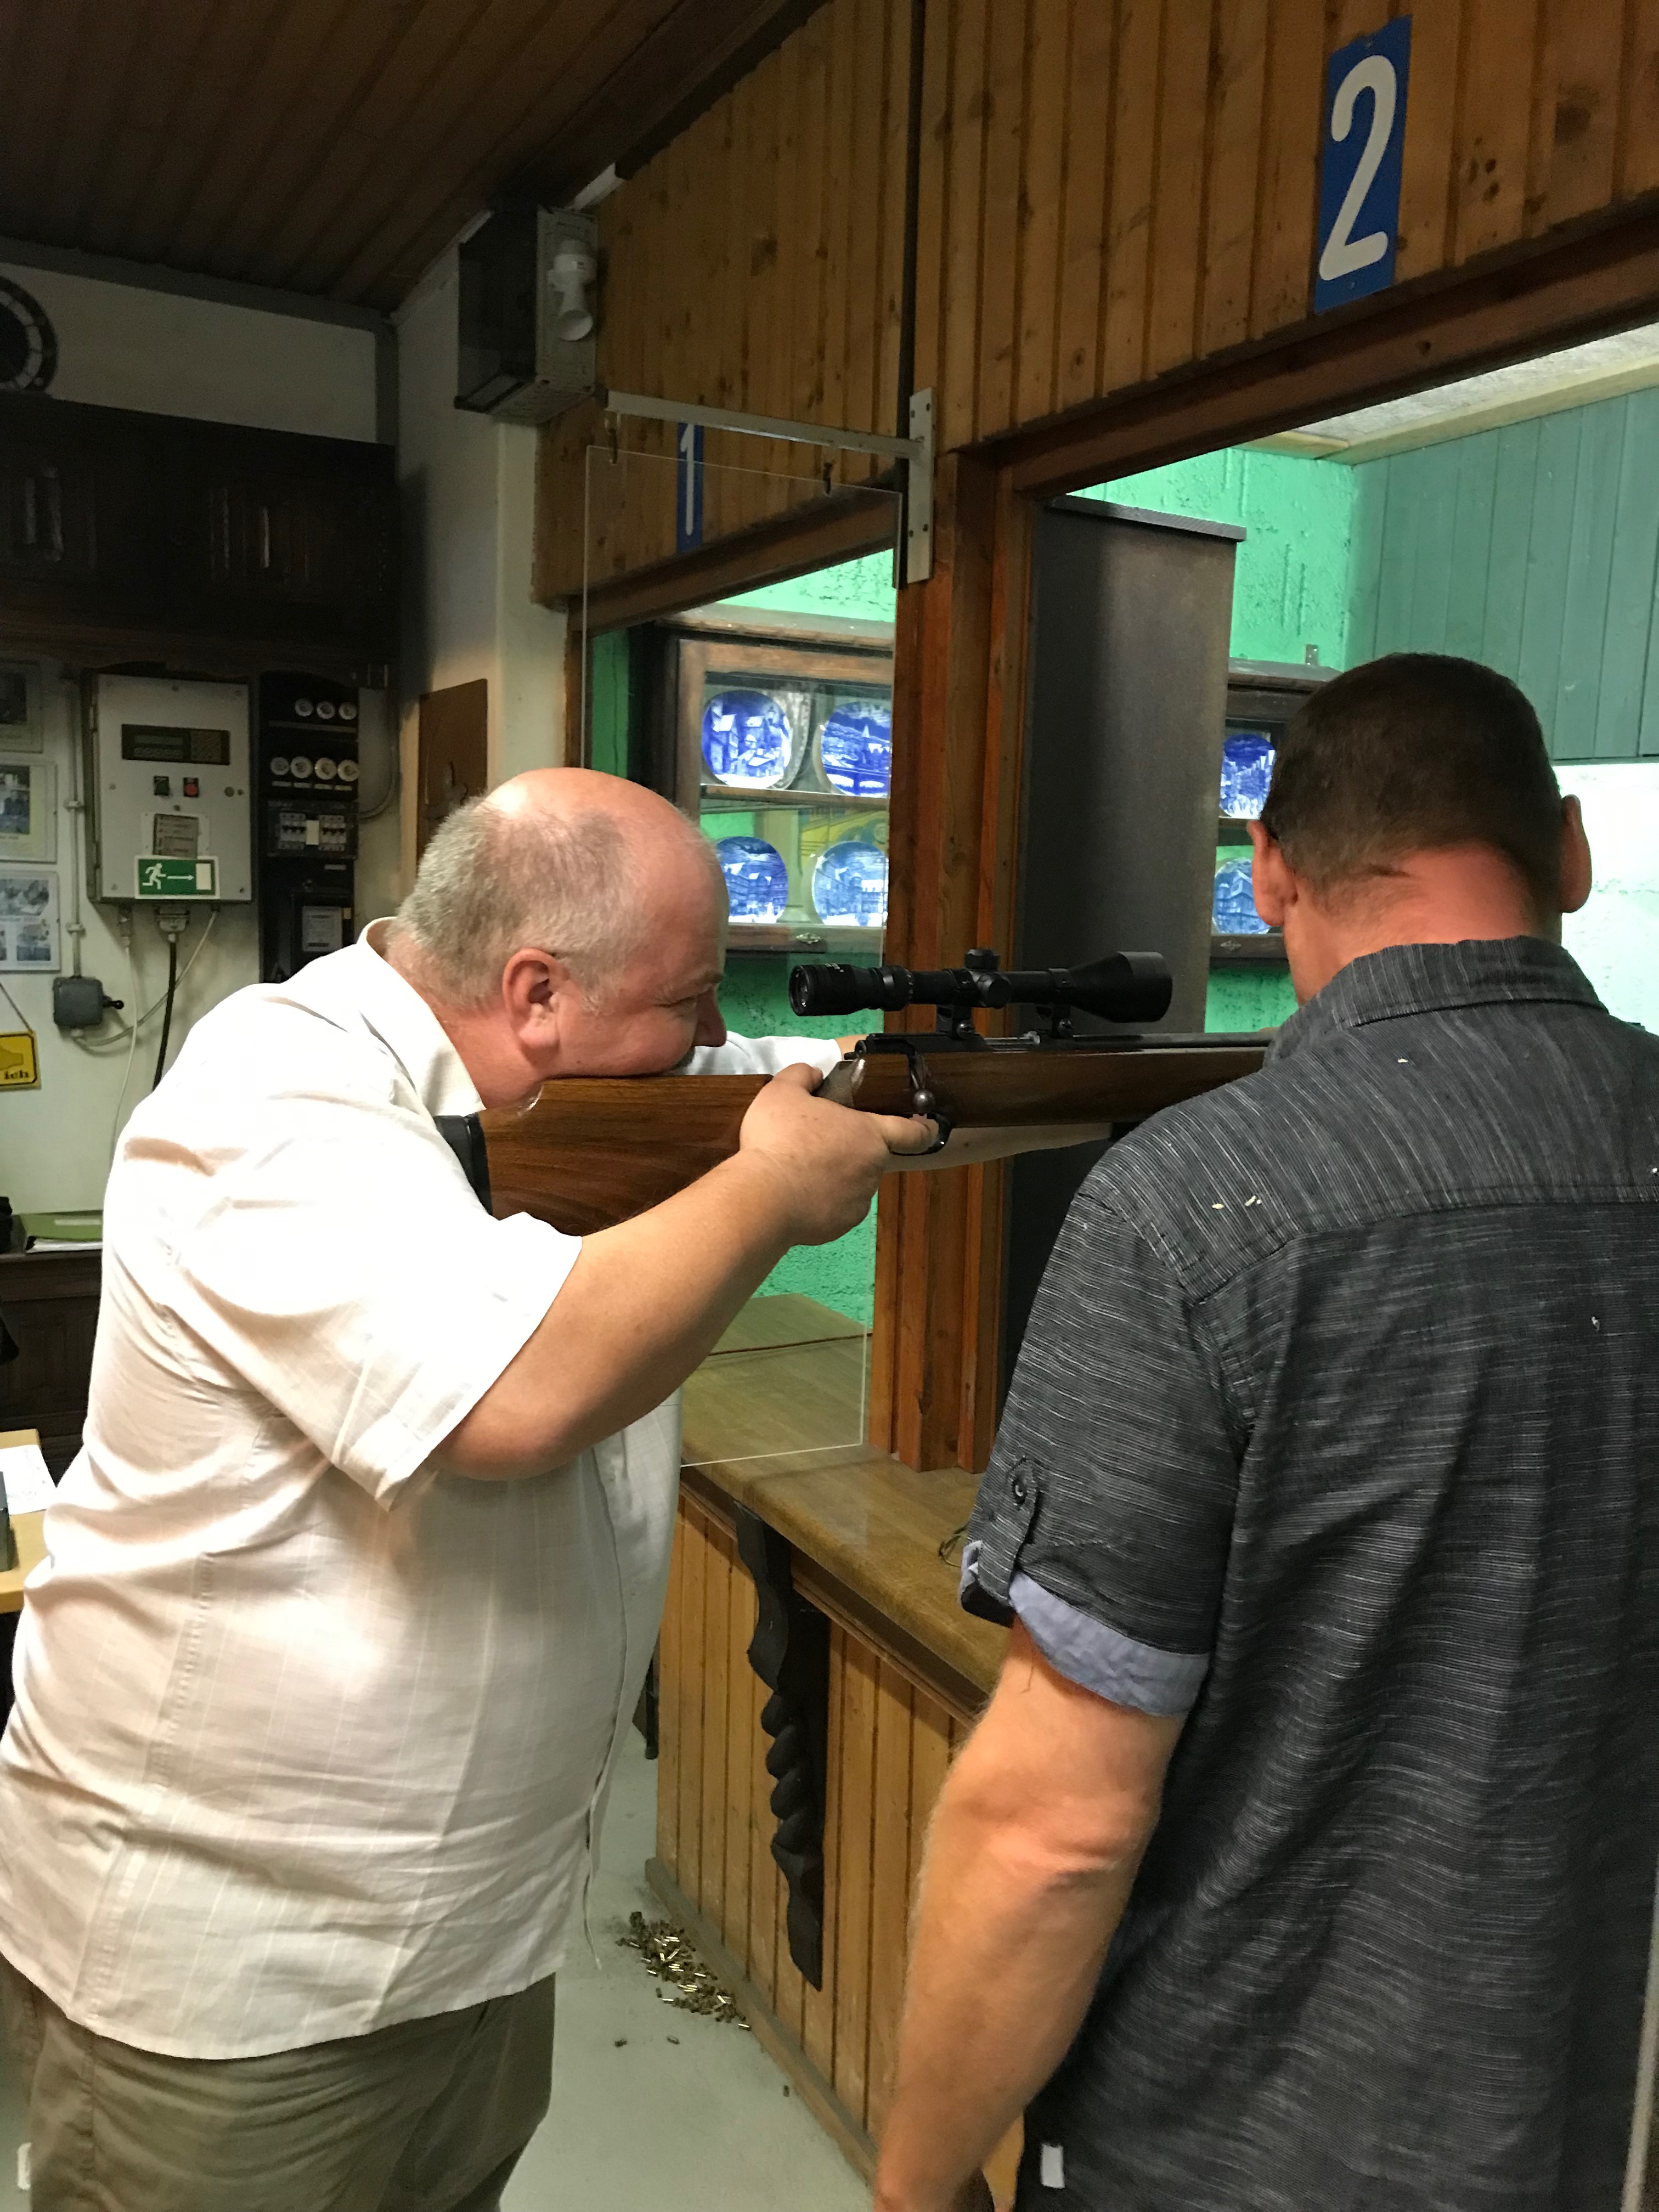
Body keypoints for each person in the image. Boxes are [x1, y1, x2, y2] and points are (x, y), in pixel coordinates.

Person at [0, 766, 934, 2212]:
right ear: (537, 992)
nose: (714, 1036)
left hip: (472, 1945)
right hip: (236, 1986)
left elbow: (803, 1091)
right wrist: (769, 1195)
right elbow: (513, 1400)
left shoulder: (565, 1080)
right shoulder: (271, 1099)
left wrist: (964, 1088)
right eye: (691, 1000)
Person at [874, 654, 1659, 2212]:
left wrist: (914, 2177)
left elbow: (1054, 1829)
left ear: (1269, 873)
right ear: (1568, 852)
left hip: (1240, 2138)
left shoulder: (1191, 1206)